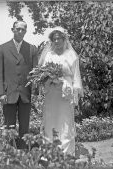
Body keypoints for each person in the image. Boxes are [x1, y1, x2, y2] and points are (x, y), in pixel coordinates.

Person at [38, 27, 83, 155]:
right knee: (50, 120)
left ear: (64, 39)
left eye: (59, 38)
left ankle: (66, 153)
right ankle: (50, 151)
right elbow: (42, 74)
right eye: (54, 39)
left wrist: (75, 94)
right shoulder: (48, 55)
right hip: (51, 92)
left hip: (66, 93)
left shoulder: (71, 55)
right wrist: (50, 78)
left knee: (65, 122)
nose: (56, 41)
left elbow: (76, 76)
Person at [0, 20, 38, 149]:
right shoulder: (2, 48)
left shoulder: (32, 49)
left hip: (26, 93)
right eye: (18, 29)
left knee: (25, 125)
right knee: (9, 125)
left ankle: (24, 151)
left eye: (23, 29)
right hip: (8, 94)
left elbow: (35, 74)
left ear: (26, 31)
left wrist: (35, 92)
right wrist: (0, 93)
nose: (20, 31)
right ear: (12, 29)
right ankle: (10, 151)